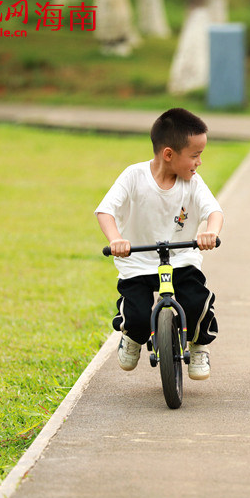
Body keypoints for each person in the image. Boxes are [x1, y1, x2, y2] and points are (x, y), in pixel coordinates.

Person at [96, 108, 223, 380]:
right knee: (139, 316)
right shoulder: (133, 176)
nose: (199, 162)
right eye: (195, 155)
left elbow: (214, 211)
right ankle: (131, 336)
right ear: (169, 154)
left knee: (196, 304)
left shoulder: (193, 183)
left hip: (180, 260)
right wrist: (116, 239)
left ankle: (199, 346)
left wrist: (209, 232)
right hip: (138, 261)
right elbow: (105, 210)